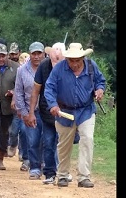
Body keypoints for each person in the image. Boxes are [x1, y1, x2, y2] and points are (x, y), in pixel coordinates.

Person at [44, 43, 106, 188]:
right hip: (64, 112)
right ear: (67, 59)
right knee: (64, 144)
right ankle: (62, 175)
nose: (74, 63)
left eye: (77, 60)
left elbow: (100, 81)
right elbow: (49, 87)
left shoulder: (91, 66)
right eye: (71, 60)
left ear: (83, 58)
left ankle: (84, 177)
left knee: (87, 139)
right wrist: (53, 105)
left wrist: (100, 90)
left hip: (86, 111)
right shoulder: (59, 69)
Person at [26, 42, 65, 184]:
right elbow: (35, 91)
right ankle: (50, 172)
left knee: (63, 144)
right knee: (48, 142)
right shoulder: (43, 67)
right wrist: (31, 112)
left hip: (66, 113)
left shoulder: (70, 67)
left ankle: (63, 172)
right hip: (47, 112)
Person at [14, 41, 45, 180]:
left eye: (39, 53)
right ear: (30, 54)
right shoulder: (21, 70)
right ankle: (35, 168)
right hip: (29, 110)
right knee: (32, 140)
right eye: (34, 54)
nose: (37, 56)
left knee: (47, 139)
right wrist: (25, 113)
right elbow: (18, 92)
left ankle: (46, 165)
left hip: (46, 110)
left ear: (44, 54)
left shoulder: (49, 69)